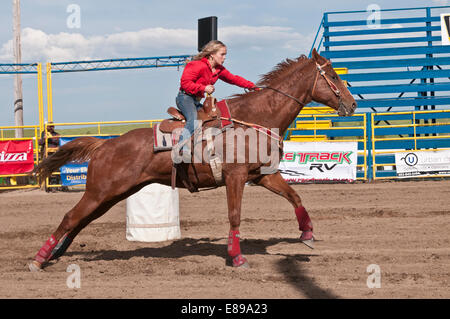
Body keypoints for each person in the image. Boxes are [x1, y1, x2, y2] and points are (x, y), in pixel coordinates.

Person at [176, 40, 256, 150]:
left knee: (212, 119)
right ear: (212, 55)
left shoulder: (219, 70)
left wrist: (252, 86)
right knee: (193, 119)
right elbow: (185, 84)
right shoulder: (197, 65)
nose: (224, 58)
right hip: (185, 98)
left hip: (196, 100)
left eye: (225, 55)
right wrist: (204, 88)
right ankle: (181, 148)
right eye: (222, 54)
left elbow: (234, 79)